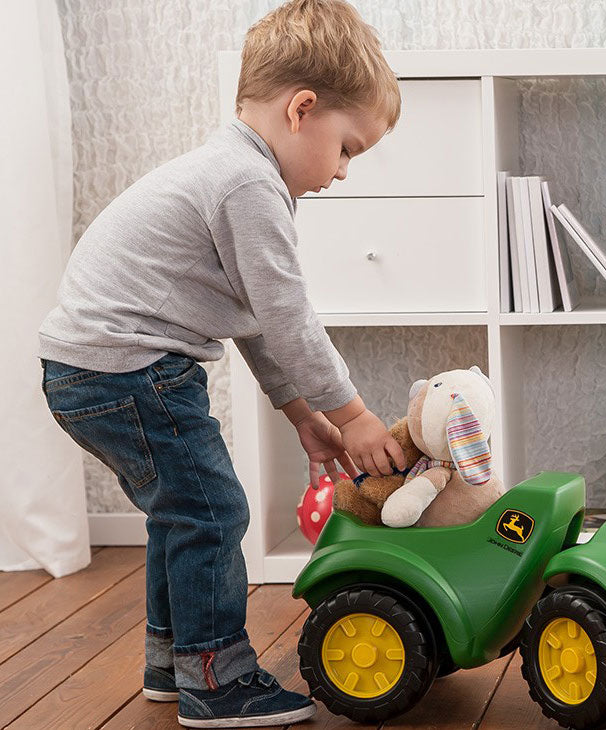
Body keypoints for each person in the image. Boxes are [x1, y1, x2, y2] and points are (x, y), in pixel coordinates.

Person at [37, 0, 405, 725]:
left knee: (182, 512)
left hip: (93, 370)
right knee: (214, 510)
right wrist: (353, 415)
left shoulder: (234, 171)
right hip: (128, 367)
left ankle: (172, 660)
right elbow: (289, 319)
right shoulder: (247, 185)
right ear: (303, 109)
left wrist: (301, 415)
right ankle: (218, 679)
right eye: (348, 148)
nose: (343, 172)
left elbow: (255, 324)